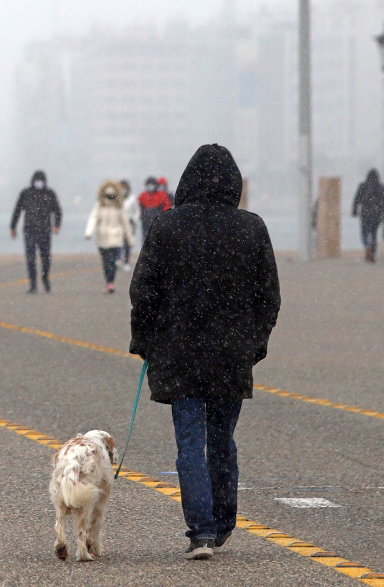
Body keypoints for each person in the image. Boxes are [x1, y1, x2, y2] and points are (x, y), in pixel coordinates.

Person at [129, 144, 281, 560]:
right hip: (231, 355)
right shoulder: (251, 228)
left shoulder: (167, 226)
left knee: (190, 443)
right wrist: (255, 343)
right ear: (233, 183)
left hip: (181, 352)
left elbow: (144, 291)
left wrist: (143, 340)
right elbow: (268, 296)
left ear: (186, 181)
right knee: (222, 441)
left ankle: (201, 532)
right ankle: (223, 521)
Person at [10, 170, 62, 293]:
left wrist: (57, 225)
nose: (39, 183)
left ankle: (45, 278)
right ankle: (33, 284)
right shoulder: (26, 193)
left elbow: (57, 211)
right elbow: (17, 210)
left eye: (41, 181)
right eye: (37, 180)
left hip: (45, 230)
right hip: (30, 230)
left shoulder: (50, 194)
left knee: (46, 258)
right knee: (30, 258)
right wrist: (13, 227)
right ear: (32, 181)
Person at [85, 180, 135, 294]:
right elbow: (93, 218)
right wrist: (89, 232)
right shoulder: (99, 205)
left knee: (111, 261)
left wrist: (130, 239)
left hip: (116, 238)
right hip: (102, 238)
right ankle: (109, 281)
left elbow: (125, 223)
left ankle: (110, 282)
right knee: (106, 262)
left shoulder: (119, 207)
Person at [351, 169, 384, 263]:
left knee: (364, 233)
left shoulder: (363, 186)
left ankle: (367, 246)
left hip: (365, 213)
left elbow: (357, 200)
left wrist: (354, 211)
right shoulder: (381, 187)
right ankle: (372, 252)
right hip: (376, 214)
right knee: (374, 234)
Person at [120, 179, 141, 271]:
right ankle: (118, 259)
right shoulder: (117, 199)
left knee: (127, 243)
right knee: (119, 242)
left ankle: (126, 262)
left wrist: (134, 220)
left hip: (130, 224)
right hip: (119, 224)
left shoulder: (132, 199)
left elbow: (137, 211)